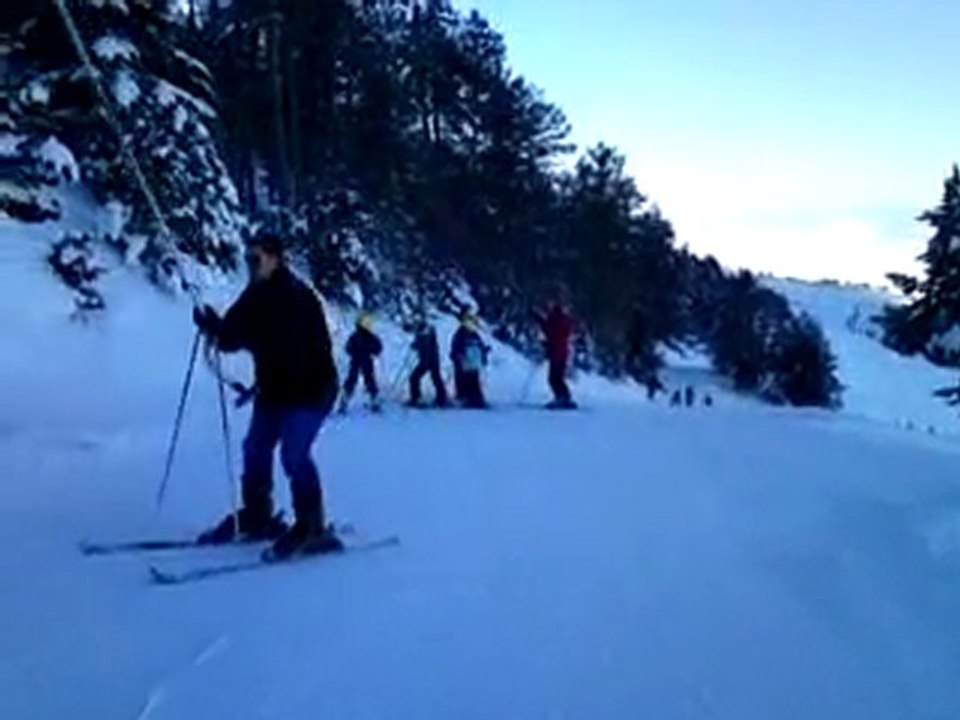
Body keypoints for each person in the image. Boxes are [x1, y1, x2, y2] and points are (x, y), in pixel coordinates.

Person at [191, 232, 343, 559]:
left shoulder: (297, 297)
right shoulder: (255, 294)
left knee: (294, 454)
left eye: (256, 259)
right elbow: (235, 335)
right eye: (248, 259)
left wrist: (233, 334)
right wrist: (214, 328)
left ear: (276, 259)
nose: (251, 265)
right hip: (276, 389)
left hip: (311, 389)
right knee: (256, 448)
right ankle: (258, 513)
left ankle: (312, 526)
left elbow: (278, 341)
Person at [534, 300, 577, 409]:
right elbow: (549, 331)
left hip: (557, 352)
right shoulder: (559, 319)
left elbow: (550, 331)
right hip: (559, 352)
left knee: (554, 377)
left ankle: (562, 397)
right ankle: (563, 396)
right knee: (556, 377)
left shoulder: (556, 319)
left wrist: (539, 319)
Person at [339, 312, 383, 413]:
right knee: (367, 379)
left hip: (359, 360)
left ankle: (345, 400)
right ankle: (373, 400)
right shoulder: (367, 336)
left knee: (355, 379)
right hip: (362, 360)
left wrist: (373, 351)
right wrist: (373, 351)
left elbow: (348, 348)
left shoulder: (356, 336)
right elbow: (378, 347)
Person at [450, 312, 489, 408]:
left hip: (472, 361)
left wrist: (484, 353)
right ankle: (464, 397)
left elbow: (480, 345)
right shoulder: (460, 334)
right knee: (463, 380)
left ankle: (476, 398)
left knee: (474, 380)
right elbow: (455, 347)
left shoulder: (474, 334)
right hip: (463, 361)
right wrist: (458, 355)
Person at [408, 318, 449, 407]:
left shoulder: (425, 330)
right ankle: (441, 398)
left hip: (428, 360)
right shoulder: (426, 330)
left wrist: (416, 345)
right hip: (432, 359)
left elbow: (424, 343)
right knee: (435, 377)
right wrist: (415, 345)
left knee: (414, 377)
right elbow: (422, 342)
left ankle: (416, 398)